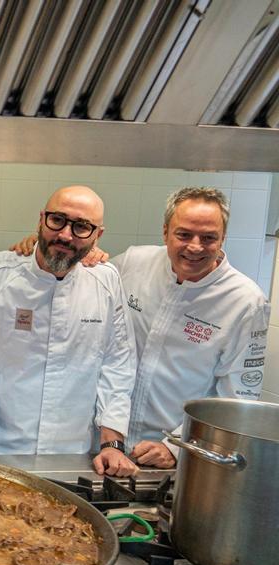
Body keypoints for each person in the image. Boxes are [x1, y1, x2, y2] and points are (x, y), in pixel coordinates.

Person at [0, 185, 138, 477]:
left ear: (98, 235)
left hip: (73, 454)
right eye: (57, 220)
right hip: (0, 447)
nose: (65, 234)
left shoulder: (106, 281)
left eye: (81, 227)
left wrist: (112, 443)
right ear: (41, 219)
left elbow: (117, 366)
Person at [111, 187, 271, 468]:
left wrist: (176, 446)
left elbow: (234, 399)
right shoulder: (134, 262)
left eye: (208, 238)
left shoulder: (246, 301)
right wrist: (34, 252)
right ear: (165, 232)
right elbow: (83, 282)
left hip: (176, 455)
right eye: (183, 234)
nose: (195, 247)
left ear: (223, 238)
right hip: (106, 442)